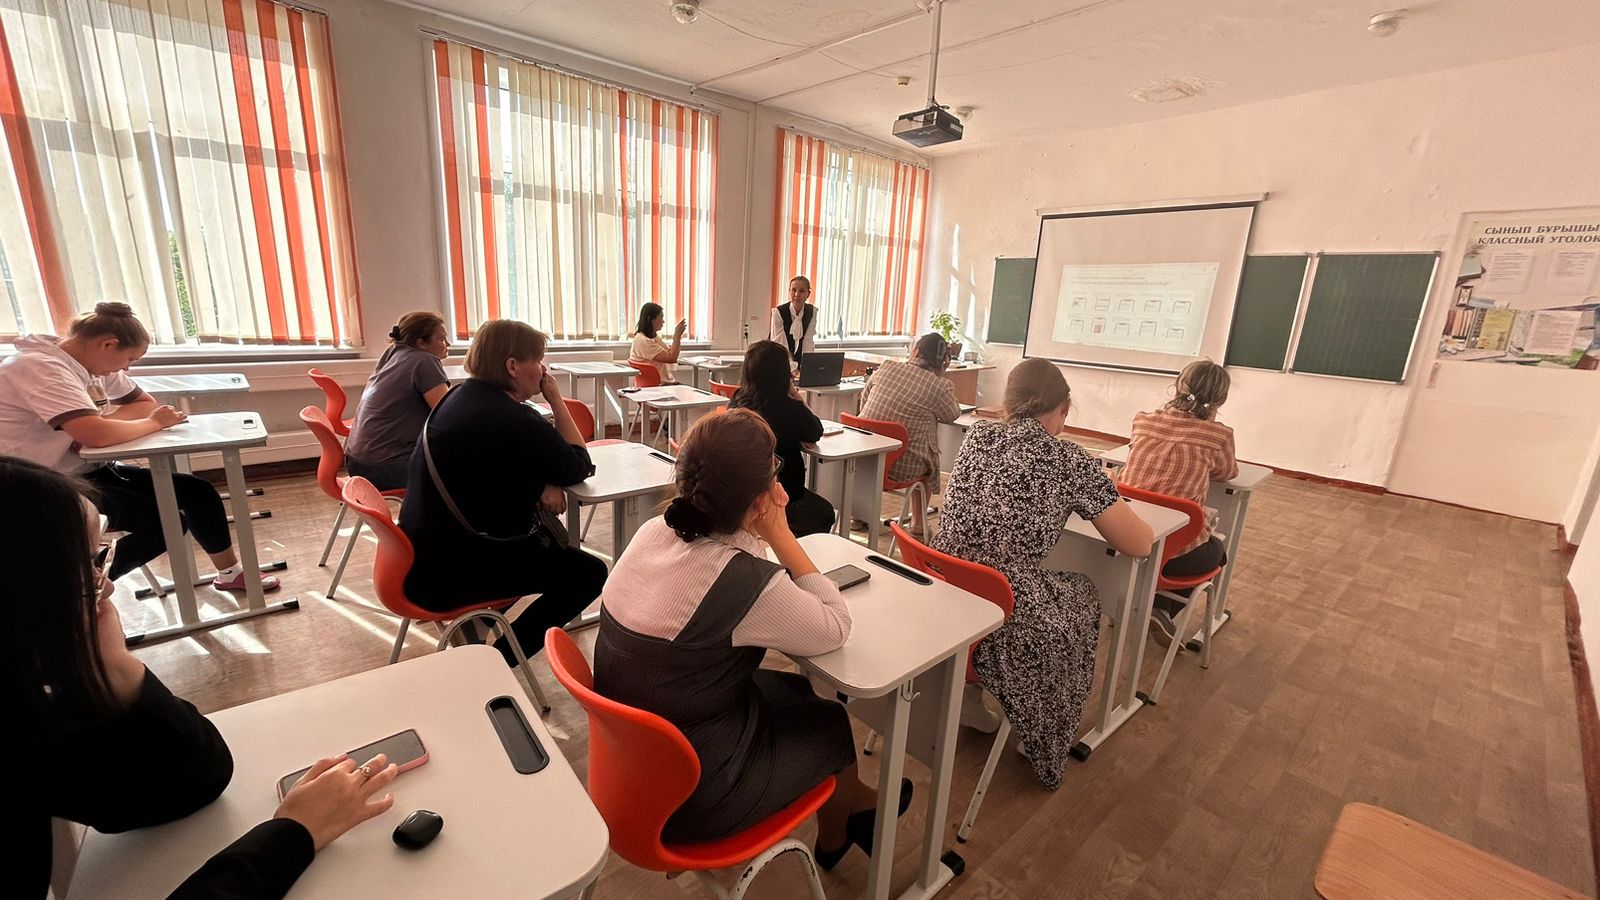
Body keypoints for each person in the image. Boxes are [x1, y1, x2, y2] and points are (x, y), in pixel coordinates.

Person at [10, 455, 398, 899]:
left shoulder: (27, 705)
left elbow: (192, 784)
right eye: (83, 568)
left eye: (100, 558)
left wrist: (117, 673)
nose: (108, 586)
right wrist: (294, 834)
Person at [592, 409, 909, 867]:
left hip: (630, 767)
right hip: (691, 797)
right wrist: (781, 534)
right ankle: (843, 827)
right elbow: (835, 627)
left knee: (796, 689)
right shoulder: (744, 580)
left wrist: (759, 519)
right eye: (773, 473)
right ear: (760, 499)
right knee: (831, 723)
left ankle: (854, 810)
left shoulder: (652, 532)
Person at [934, 358, 1153, 790]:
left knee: (1023, 574)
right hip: (1002, 610)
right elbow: (1140, 544)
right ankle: (1040, 726)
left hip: (946, 591)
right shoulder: (1070, 460)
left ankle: (971, 698)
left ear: (1007, 402)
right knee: (1084, 594)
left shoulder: (977, 435)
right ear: (1064, 408)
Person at [0, 302, 278, 591]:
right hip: (35, 486)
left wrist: (105, 424)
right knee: (165, 525)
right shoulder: (40, 368)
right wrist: (152, 423)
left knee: (198, 493)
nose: (127, 367)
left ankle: (230, 573)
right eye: (129, 358)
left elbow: (142, 403)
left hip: (83, 469)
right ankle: (75, 586)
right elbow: (99, 435)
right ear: (108, 344)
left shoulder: (89, 363)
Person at [399, 319, 606, 664]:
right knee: (588, 574)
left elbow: (492, 467)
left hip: (420, 556)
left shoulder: (457, 397)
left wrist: (542, 481)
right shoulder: (517, 419)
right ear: (512, 366)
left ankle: (480, 628)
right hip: (452, 570)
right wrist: (556, 398)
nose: (543, 369)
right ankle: (499, 660)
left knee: (549, 552)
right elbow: (579, 464)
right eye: (537, 360)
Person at [1114, 359, 1238, 644]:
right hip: (1173, 557)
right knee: (1218, 550)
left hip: (1127, 541)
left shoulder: (1143, 420)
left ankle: (1138, 600)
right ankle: (1162, 607)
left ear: (1179, 385)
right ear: (1221, 399)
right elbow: (1228, 472)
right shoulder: (1219, 435)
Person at [728, 340, 835, 536]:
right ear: (783, 374)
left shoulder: (737, 400)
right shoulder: (789, 408)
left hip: (744, 493)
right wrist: (797, 396)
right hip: (783, 496)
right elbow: (815, 431)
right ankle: (793, 544)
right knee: (825, 513)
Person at [857, 332, 961, 533]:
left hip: (864, 458)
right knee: (928, 462)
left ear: (916, 351)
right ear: (943, 361)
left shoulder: (886, 367)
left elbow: (865, 399)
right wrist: (940, 375)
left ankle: (857, 515)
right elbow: (952, 415)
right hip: (903, 468)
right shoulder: (939, 385)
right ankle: (918, 525)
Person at [344, 311, 451, 490]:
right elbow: (448, 418)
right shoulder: (424, 360)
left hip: (357, 463)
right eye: (442, 339)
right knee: (469, 466)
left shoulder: (393, 352)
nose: (448, 344)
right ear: (421, 343)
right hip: (386, 468)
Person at [629, 302, 686, 384]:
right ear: (650, 319)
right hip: (659, 385)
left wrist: (674, 344)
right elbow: (672, 358)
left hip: (662, 383)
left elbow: (669, 352)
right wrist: (677, 336)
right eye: (661, 317)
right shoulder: (643, 341)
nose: (663, 321)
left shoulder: (653, 337)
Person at [769, 275, 818, 363]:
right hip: (778, 360)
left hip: (799, 362)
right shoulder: (778, 312)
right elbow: (779, 345)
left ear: (808, 294)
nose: (797, 294)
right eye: (794, 290)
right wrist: (792, 367)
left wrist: (807, 365)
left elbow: (808, 342)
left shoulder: (812, 312)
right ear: (789, 291)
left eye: (801, 291)